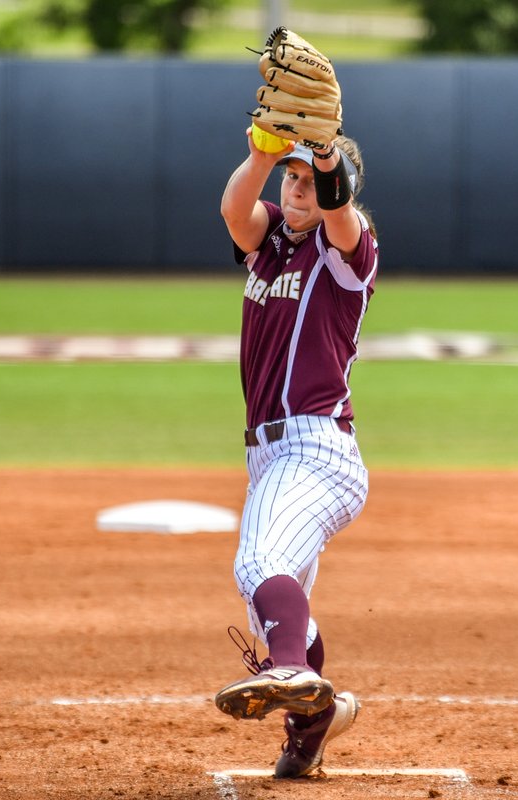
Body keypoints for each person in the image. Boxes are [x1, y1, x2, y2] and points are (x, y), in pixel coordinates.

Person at [212, 129, 379, 780]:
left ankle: (288, 674)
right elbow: (235, 212)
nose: (298, 187)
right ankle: (314, 723)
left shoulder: (347, 251)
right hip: (270, 458)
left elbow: (340, 210)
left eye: (310, 179)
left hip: (315, 448)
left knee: (259, 561)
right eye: (293, 176)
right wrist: (262, 152)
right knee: (276, 612)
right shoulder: (273, 239)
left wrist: (327, 155)